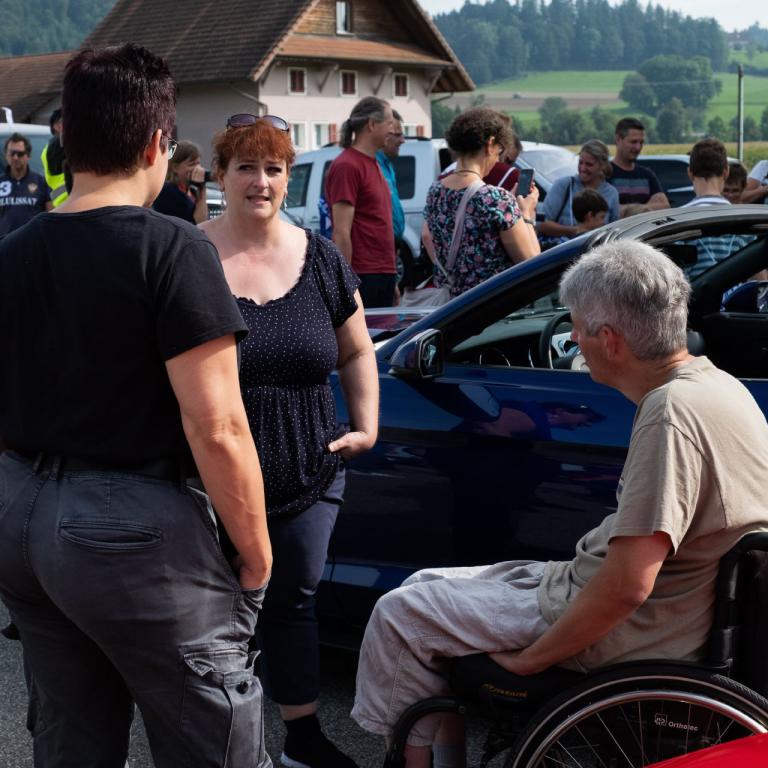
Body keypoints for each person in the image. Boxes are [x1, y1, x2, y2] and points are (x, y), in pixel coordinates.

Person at [350, 239, 768, 767]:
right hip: (643, 600)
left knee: (399, 615)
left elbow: (627, 587)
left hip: (634, 630)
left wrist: (532, 661)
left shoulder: (671, 416)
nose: (572, 339)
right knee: (421, 584)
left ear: (610, 340)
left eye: (577, 327)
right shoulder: (718, 385)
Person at [0, 44, 272, 768]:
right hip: (130, 528)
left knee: (71, 740)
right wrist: (256, 551)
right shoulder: (172, 247)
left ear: (67, 139)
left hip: (23, 514)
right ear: (157, 144)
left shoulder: (15, 250)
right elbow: (218, 425)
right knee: (215, 744)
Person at [200, 114, 378, 768]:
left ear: (288, 177)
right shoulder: (189, 256)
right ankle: (221, 740)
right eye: (246, 167)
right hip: (210, 479)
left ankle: (302, 739)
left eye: (273, 169)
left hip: (310, 470)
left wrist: (366, 425)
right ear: (221, 175)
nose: (261, 181)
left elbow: (357, 350)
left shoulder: (320, 258)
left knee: (294, 601)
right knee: (217, 616)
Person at [421, 108, 539, 300]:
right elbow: (531, 262)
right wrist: (526, 214)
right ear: (490, 144)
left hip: (452, 307)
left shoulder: (435, 191)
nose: (498, 158)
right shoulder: (498, 200)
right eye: (500, 150)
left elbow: (428, 236)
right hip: (489, 305)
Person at [325, 96, 396, 307]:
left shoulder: (374, 163)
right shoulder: (347, 166)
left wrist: (392, 278)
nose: (392, 130)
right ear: (372, 125)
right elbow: (341, 231)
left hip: (382, 274)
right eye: (389, 123)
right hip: (363, 276)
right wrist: (345, 285)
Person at [681, 138, 752, 280]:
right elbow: (758, 279)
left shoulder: (678, 220)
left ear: (690, 173)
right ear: (726, 172)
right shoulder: (746, 221)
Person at [538, 139, 619, 244]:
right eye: (580, 162)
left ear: (602, 166)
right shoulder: (563, 185)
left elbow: (615, 230)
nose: (582, 168)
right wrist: (578, 232)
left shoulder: (611, 193)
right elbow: (542, 224)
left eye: (589, 164)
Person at [609, 117, 669, 212]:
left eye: (641, 142)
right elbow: (607, 211)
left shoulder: (647, 175)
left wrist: (626, 210)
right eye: (633, 142)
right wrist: (647, 207)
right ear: (618, 139)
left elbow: (665, 206)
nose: (638, 147)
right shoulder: (606, 173)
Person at [0, 132, 51, 235]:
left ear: (28, 156)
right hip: (4, 242)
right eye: (12, 153)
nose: (15, 157)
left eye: (20, 154)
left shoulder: (41, 182)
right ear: (6, 155)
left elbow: (50, 216)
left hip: (33, 241)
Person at [152, 139, 209, 223]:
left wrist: (201, 188)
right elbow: (196, 222)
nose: (197, 169)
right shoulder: (167, 191)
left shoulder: (192, 191)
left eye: (198, 163)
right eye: (192, 164)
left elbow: (202, 221)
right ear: (175, 168)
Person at [376, 109, 406, 247]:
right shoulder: (372, 165)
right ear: (385, 134)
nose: (402, 140)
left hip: (391, 247)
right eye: (398, 135)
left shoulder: (387, 165)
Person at [40, 107, 69, 207]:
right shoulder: (56, 144)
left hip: (63, 202)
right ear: (57, 125)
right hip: (69, 199)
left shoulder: (49, 147)